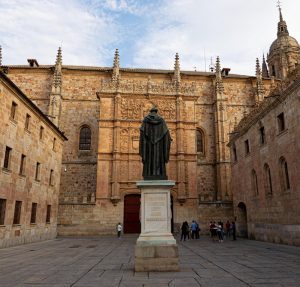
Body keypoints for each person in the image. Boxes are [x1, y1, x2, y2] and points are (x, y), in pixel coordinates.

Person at [139, 107, 172, 180]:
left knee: (149, 158)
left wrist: (143, 143)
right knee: (159, 158)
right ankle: (160, 173)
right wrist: (168, 139)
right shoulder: (161, 120)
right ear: (156, 112)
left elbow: (142, 133)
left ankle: (149, 173)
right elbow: (166, 132)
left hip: (148, 145)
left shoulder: (145, 120)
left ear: (150, 112)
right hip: (159, 145)